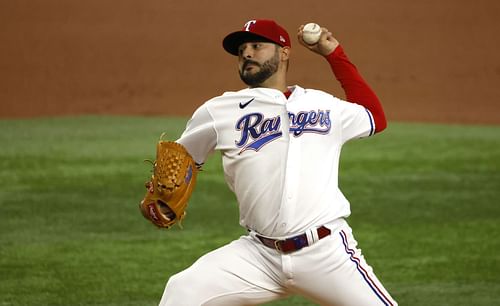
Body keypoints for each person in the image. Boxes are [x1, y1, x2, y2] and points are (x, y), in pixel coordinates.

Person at [159, 19, 397, 306]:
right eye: (242, 50)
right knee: (182, 290)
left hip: (325, 253)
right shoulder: (218, 110)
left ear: (284, 52)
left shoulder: (322, 105)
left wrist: (334, 54)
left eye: (257, 46)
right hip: (258, 256)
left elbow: (375, 117)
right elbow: (181, 159)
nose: (247, 54)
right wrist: (162, 197)